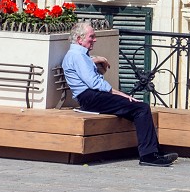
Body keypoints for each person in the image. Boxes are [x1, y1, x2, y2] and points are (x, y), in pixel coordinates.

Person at [62, 21, 178, 167]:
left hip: (91, 97)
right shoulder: (77, 56)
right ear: (80, 39)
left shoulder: (79, 55)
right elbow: (95, 84)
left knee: (138, 108)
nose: (95, 39)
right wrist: (121, 94)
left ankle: (154, 151)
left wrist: (96, 60)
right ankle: (148, 155)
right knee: (141, 108)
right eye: (91, 36)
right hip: (91, 97)